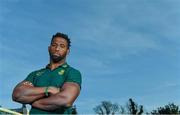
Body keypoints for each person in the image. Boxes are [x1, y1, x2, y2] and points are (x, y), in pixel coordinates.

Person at [12, 32, 82, 114]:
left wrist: (34, 102)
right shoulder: (35, 74)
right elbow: (17, 94)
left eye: (62, 46)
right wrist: (48, 90)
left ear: (68, 51)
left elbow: (65, 99)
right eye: (54, 45)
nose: (57, 48)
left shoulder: (72, 72)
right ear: (49, 48)